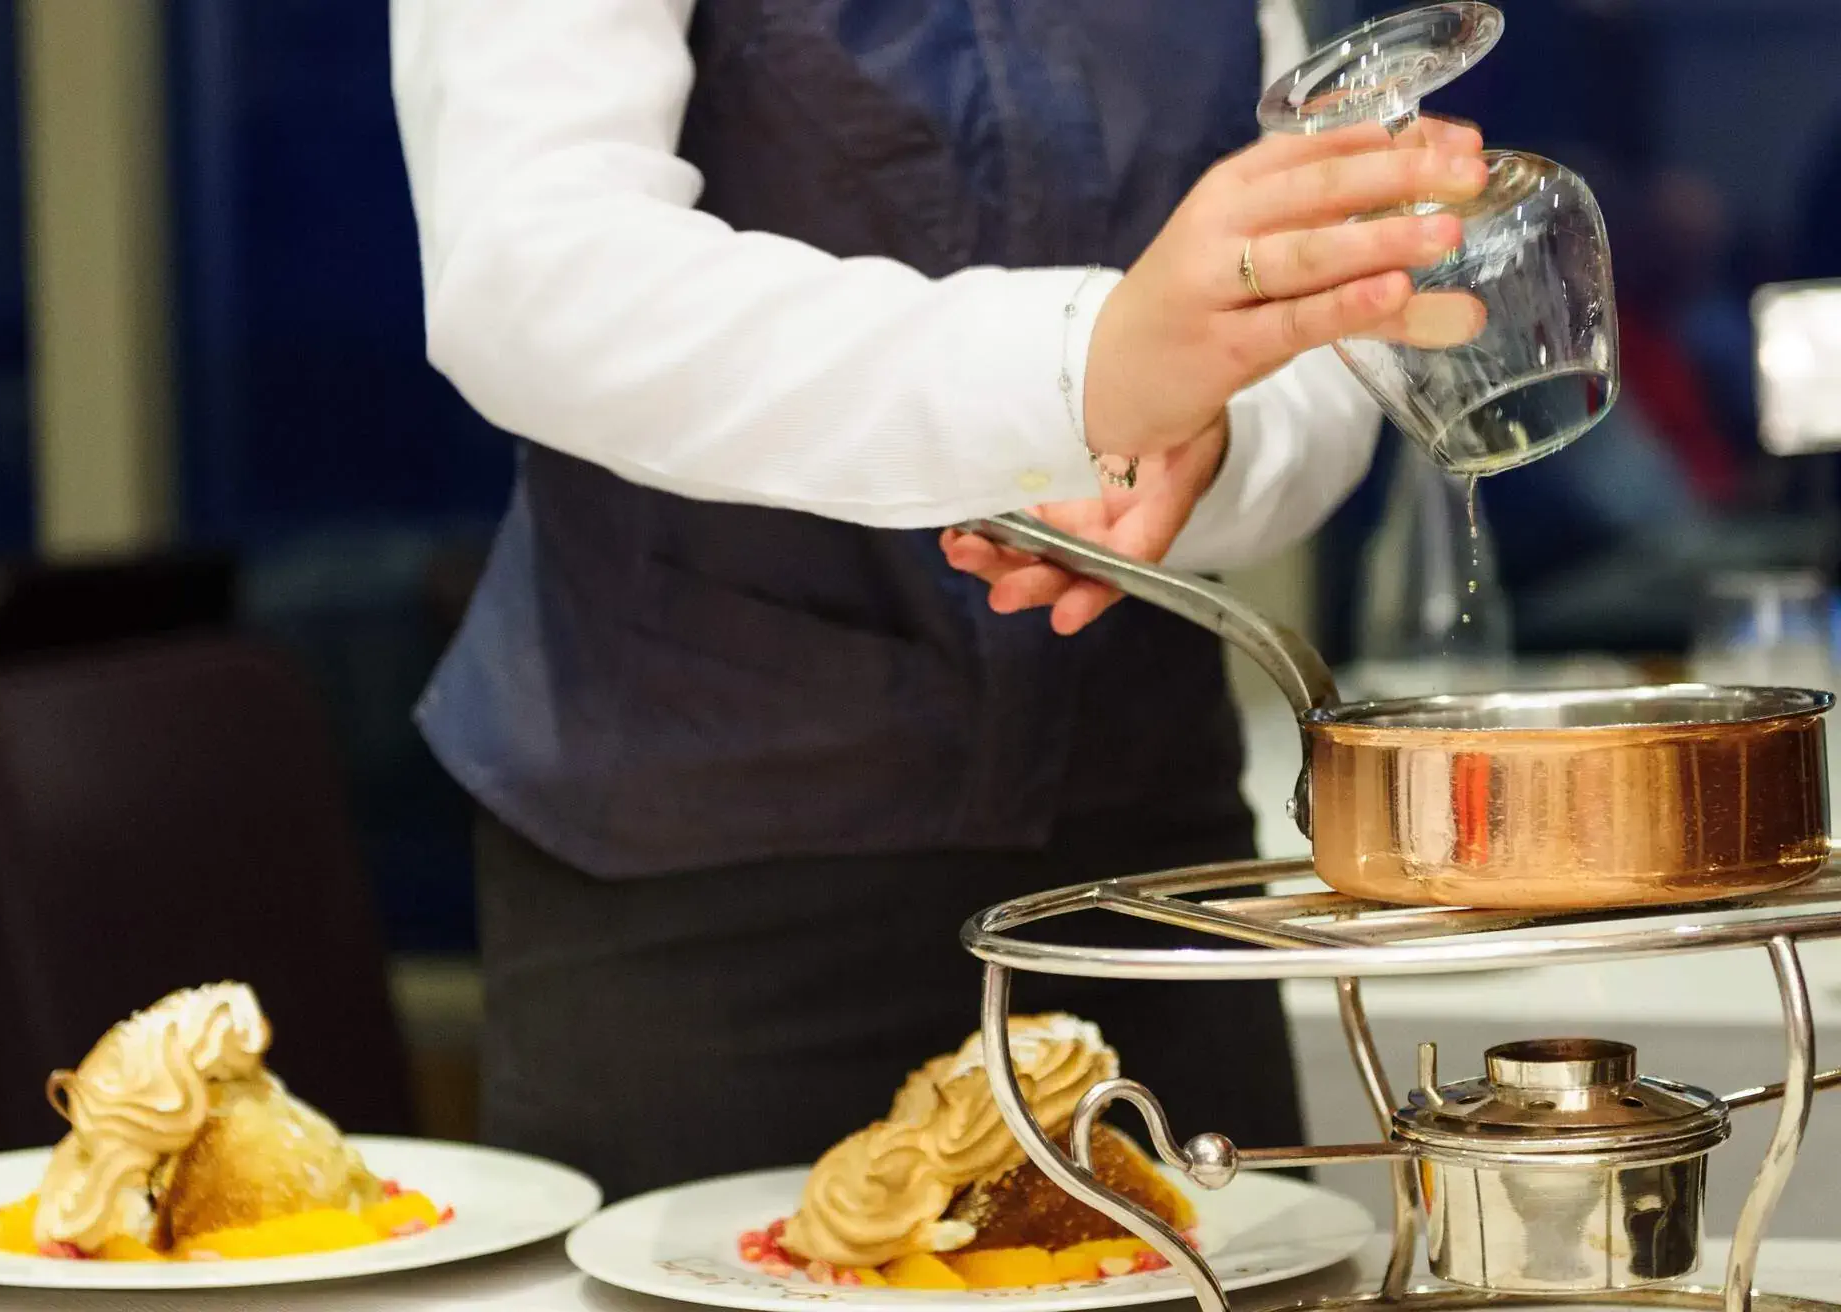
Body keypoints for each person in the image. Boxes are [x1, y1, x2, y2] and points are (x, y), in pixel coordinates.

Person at [389, 0, 1486, 1200]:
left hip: (1146, 869)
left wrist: (1204, 438)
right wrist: (1079, 375)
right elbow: (534, 271)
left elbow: (1310, 330)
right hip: (702, 871)